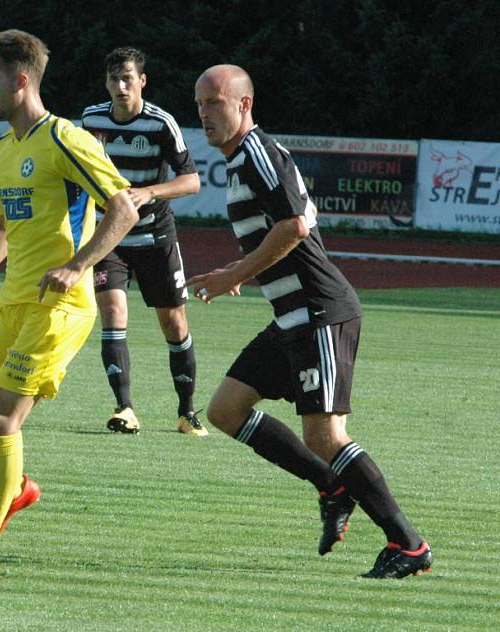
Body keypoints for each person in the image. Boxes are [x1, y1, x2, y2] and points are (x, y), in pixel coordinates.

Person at [188, 64, 431, 579]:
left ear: (244, 104)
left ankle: (407, 544)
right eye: (200, 105)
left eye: (215, 103)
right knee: (226, 410)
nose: (205, 114)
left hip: (319, 311)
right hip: (292, 316)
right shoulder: (243, 161)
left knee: (326, 434)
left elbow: (295, 226)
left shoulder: (256, 153)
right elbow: (290, 230)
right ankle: (331, 485)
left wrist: (237, 269)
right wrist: (240, 273)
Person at [0, 30, 139, 581]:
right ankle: (15, 488)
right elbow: (2, 224)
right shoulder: (1, 150)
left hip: (58, 309)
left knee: (0, 417)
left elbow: (124, 207)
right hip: (11, 302)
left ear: (21, 81)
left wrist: (78, 263)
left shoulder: (66, 139)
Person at [81, 47, 206, 436]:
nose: (121, 86)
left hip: (155, 235)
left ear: (142, 82)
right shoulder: (91, 119)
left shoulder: (160, 124)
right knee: (113, 315)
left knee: (173, 322)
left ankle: (186, 412)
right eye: (114, 79)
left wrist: (149, 192)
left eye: (128, 79)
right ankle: (125, 408)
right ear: (106, 83)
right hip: (110, 237)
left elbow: (192, 180)